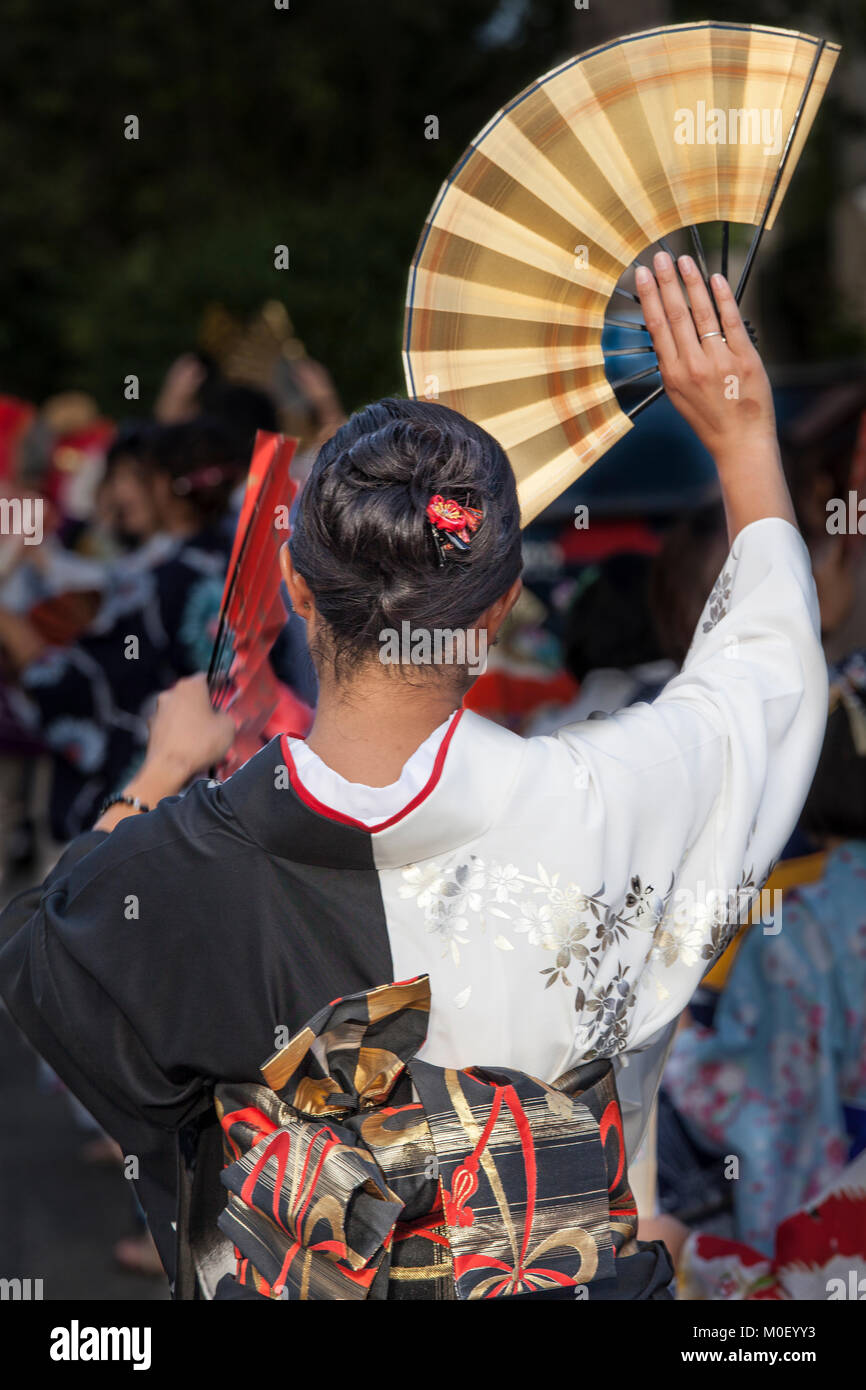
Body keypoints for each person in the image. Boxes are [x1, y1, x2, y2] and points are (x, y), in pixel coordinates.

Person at [0, 255, 827, 1299]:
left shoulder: (183, 866)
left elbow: (42, 952)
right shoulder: (611, 799)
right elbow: (765, 673)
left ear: (298, 587)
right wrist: (742, 435)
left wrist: (157, 773)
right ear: (496, 609)